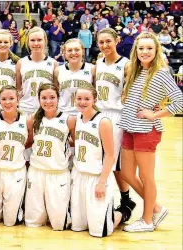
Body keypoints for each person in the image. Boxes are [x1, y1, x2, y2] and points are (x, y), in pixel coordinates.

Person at [119, 33, 183, 232]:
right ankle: (155, 207)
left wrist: (155, 114)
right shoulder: (135, 71)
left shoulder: (161, 73)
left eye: (149, 48)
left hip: (147, 130)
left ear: (156, 51)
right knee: (127, 173)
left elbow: (180, 101)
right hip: (129, 127)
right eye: (141, 48)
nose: (145, 52)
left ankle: (147, 220)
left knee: (146, 177)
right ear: (135, 51)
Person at [71, 86, 130, 237]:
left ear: (95, 100)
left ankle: (123, 212)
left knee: (101, 232)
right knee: (77, 226)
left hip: (97, 177)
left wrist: (102, 182)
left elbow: (111, 155)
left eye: (87, 99)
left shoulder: (103, 121)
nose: (82, 102)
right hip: (79, 176)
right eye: (79, 99)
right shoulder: (75, 119)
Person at [95, 28, 136, 225]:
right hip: (99, 113)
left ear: (117, 40)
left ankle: (124, 198)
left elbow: (134, 91)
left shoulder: (126, 65)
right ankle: (121, 199)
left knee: (114, 161)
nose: (105, 46)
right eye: (101, 42)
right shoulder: (98, 62)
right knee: (102, 159)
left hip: (116, 115)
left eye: (108, 42)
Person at [25, 84, 76, 230]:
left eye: (52, 97)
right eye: (44, 98)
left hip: (58, 173)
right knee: (32, 223)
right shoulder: (32, 119)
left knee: (59, 225)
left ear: (58, 98)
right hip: (36, 171)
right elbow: (29, 142)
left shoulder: (69, 120)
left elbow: (76, 142)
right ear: (39, 99)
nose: (48, 101)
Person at [0, 85, 29, 226]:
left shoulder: (27, 120)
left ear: (18, 100)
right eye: (4, 99)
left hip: (16, 171)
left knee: (10, 222)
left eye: (11, 98)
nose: (8, 102)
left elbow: (28, 142)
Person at [54, 38, 95, 116]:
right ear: (64, 53)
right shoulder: (58, 70)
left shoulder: (92, 69)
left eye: (77, 50)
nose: (73, 53)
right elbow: (56, 94)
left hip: (85, 115)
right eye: (69, 50)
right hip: (63, 114)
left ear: (82, 51)